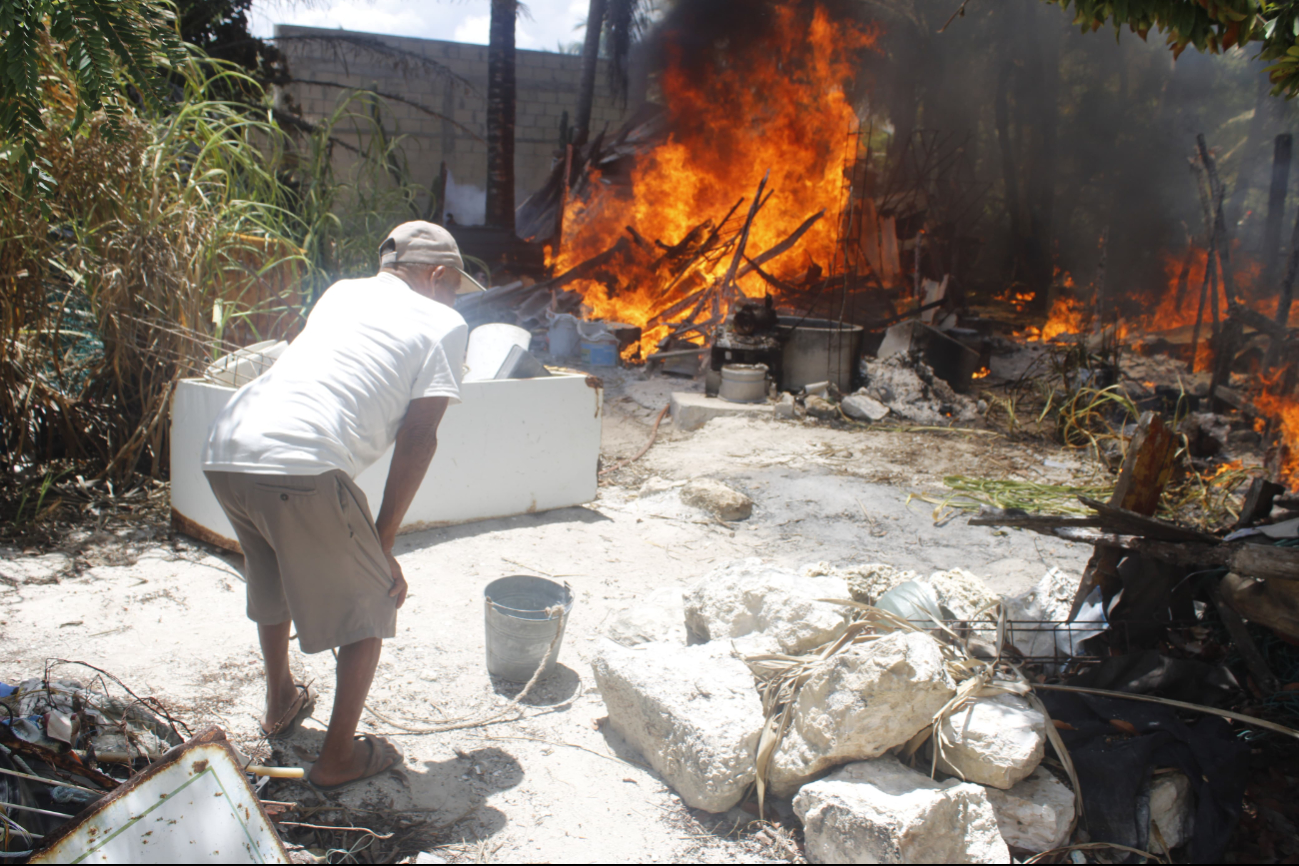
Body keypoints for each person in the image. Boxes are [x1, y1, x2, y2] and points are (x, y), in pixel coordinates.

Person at [202, 222, 484, 790]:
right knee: (372, 602)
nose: (456, 299)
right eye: (455, 285)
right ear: (437, 275)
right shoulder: (445, 322)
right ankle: (336, 760)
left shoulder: (341, 293)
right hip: (299, 461)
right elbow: (420, 435)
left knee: (274, 573)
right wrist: (382, 542)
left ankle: (280, 698)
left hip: (228, 448)